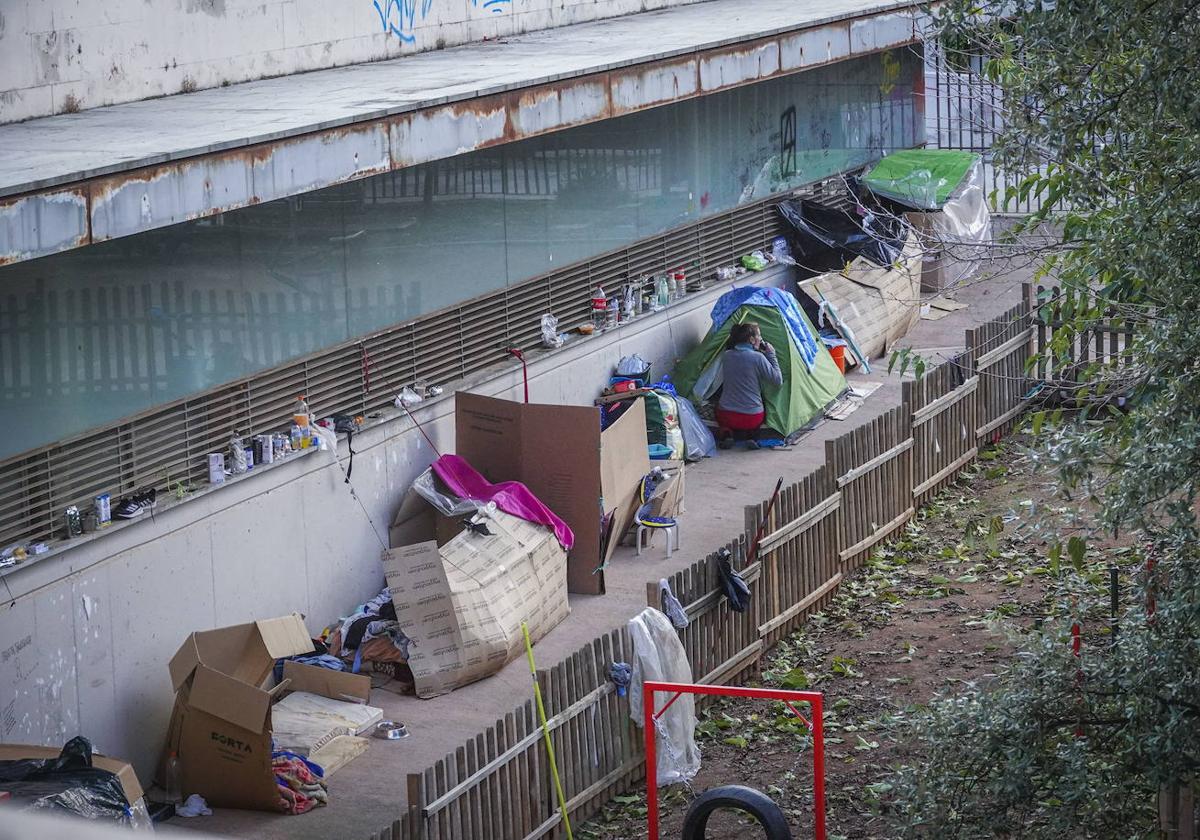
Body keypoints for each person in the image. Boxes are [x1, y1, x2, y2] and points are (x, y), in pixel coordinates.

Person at [716, 321, 782, 450]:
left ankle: (726, 433)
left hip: (726, 415)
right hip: (752, 417)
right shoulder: (758, 358)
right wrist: (771, 355)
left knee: (719, 405)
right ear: (751, 339)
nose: (760, 340)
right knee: (762, 403)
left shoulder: (727, 355)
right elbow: (777, 380)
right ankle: (752, 435)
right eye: (759, 336)